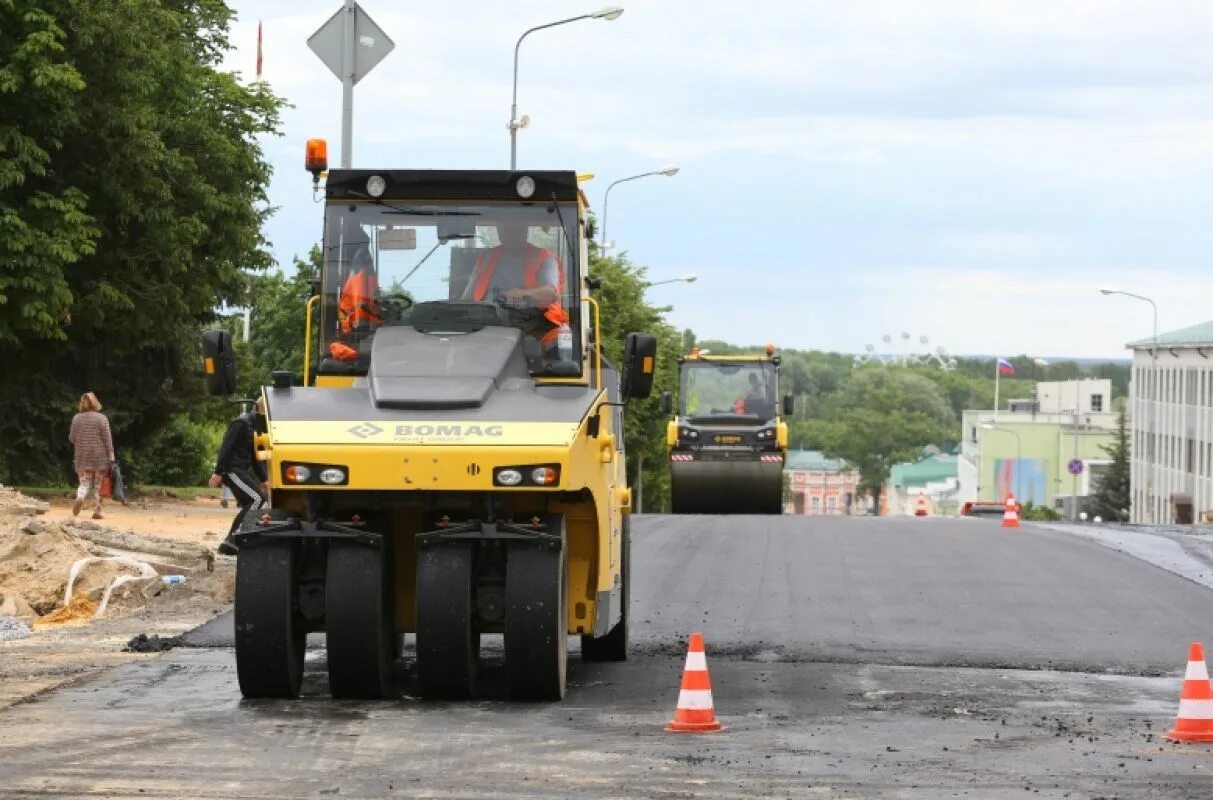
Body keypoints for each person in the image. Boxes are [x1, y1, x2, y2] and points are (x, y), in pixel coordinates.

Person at [208, 398, 268, 556]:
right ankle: (234, 539)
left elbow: (254, 457)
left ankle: (230, 541)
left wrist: (264, 479)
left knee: (252, 501)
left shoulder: (254, 427)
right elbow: (226, 447)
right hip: (232, 470)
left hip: (241, 470)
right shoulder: (241, 423)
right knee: (257, 499)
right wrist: (219, 472)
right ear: (258, 412)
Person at [461, 219, 563, 309]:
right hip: (486, 321)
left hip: (533, 324)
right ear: (499, 232)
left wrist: (523, 293)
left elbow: (550, 294)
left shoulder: (543, 257)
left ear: (525, 231)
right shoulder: (486, 258)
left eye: (516, 230)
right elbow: (466, 300)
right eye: (507, 231)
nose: (512, 235)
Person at [68, 392, 115, 520]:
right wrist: (111, 455)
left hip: (82, 455)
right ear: (96, 403)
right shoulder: (102, 418)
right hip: (99, 456)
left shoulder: (76, 418)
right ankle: (97, 511)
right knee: (98, 485)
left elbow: (72, 438)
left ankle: (80, 496)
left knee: (84, 483)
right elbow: (107, 439)